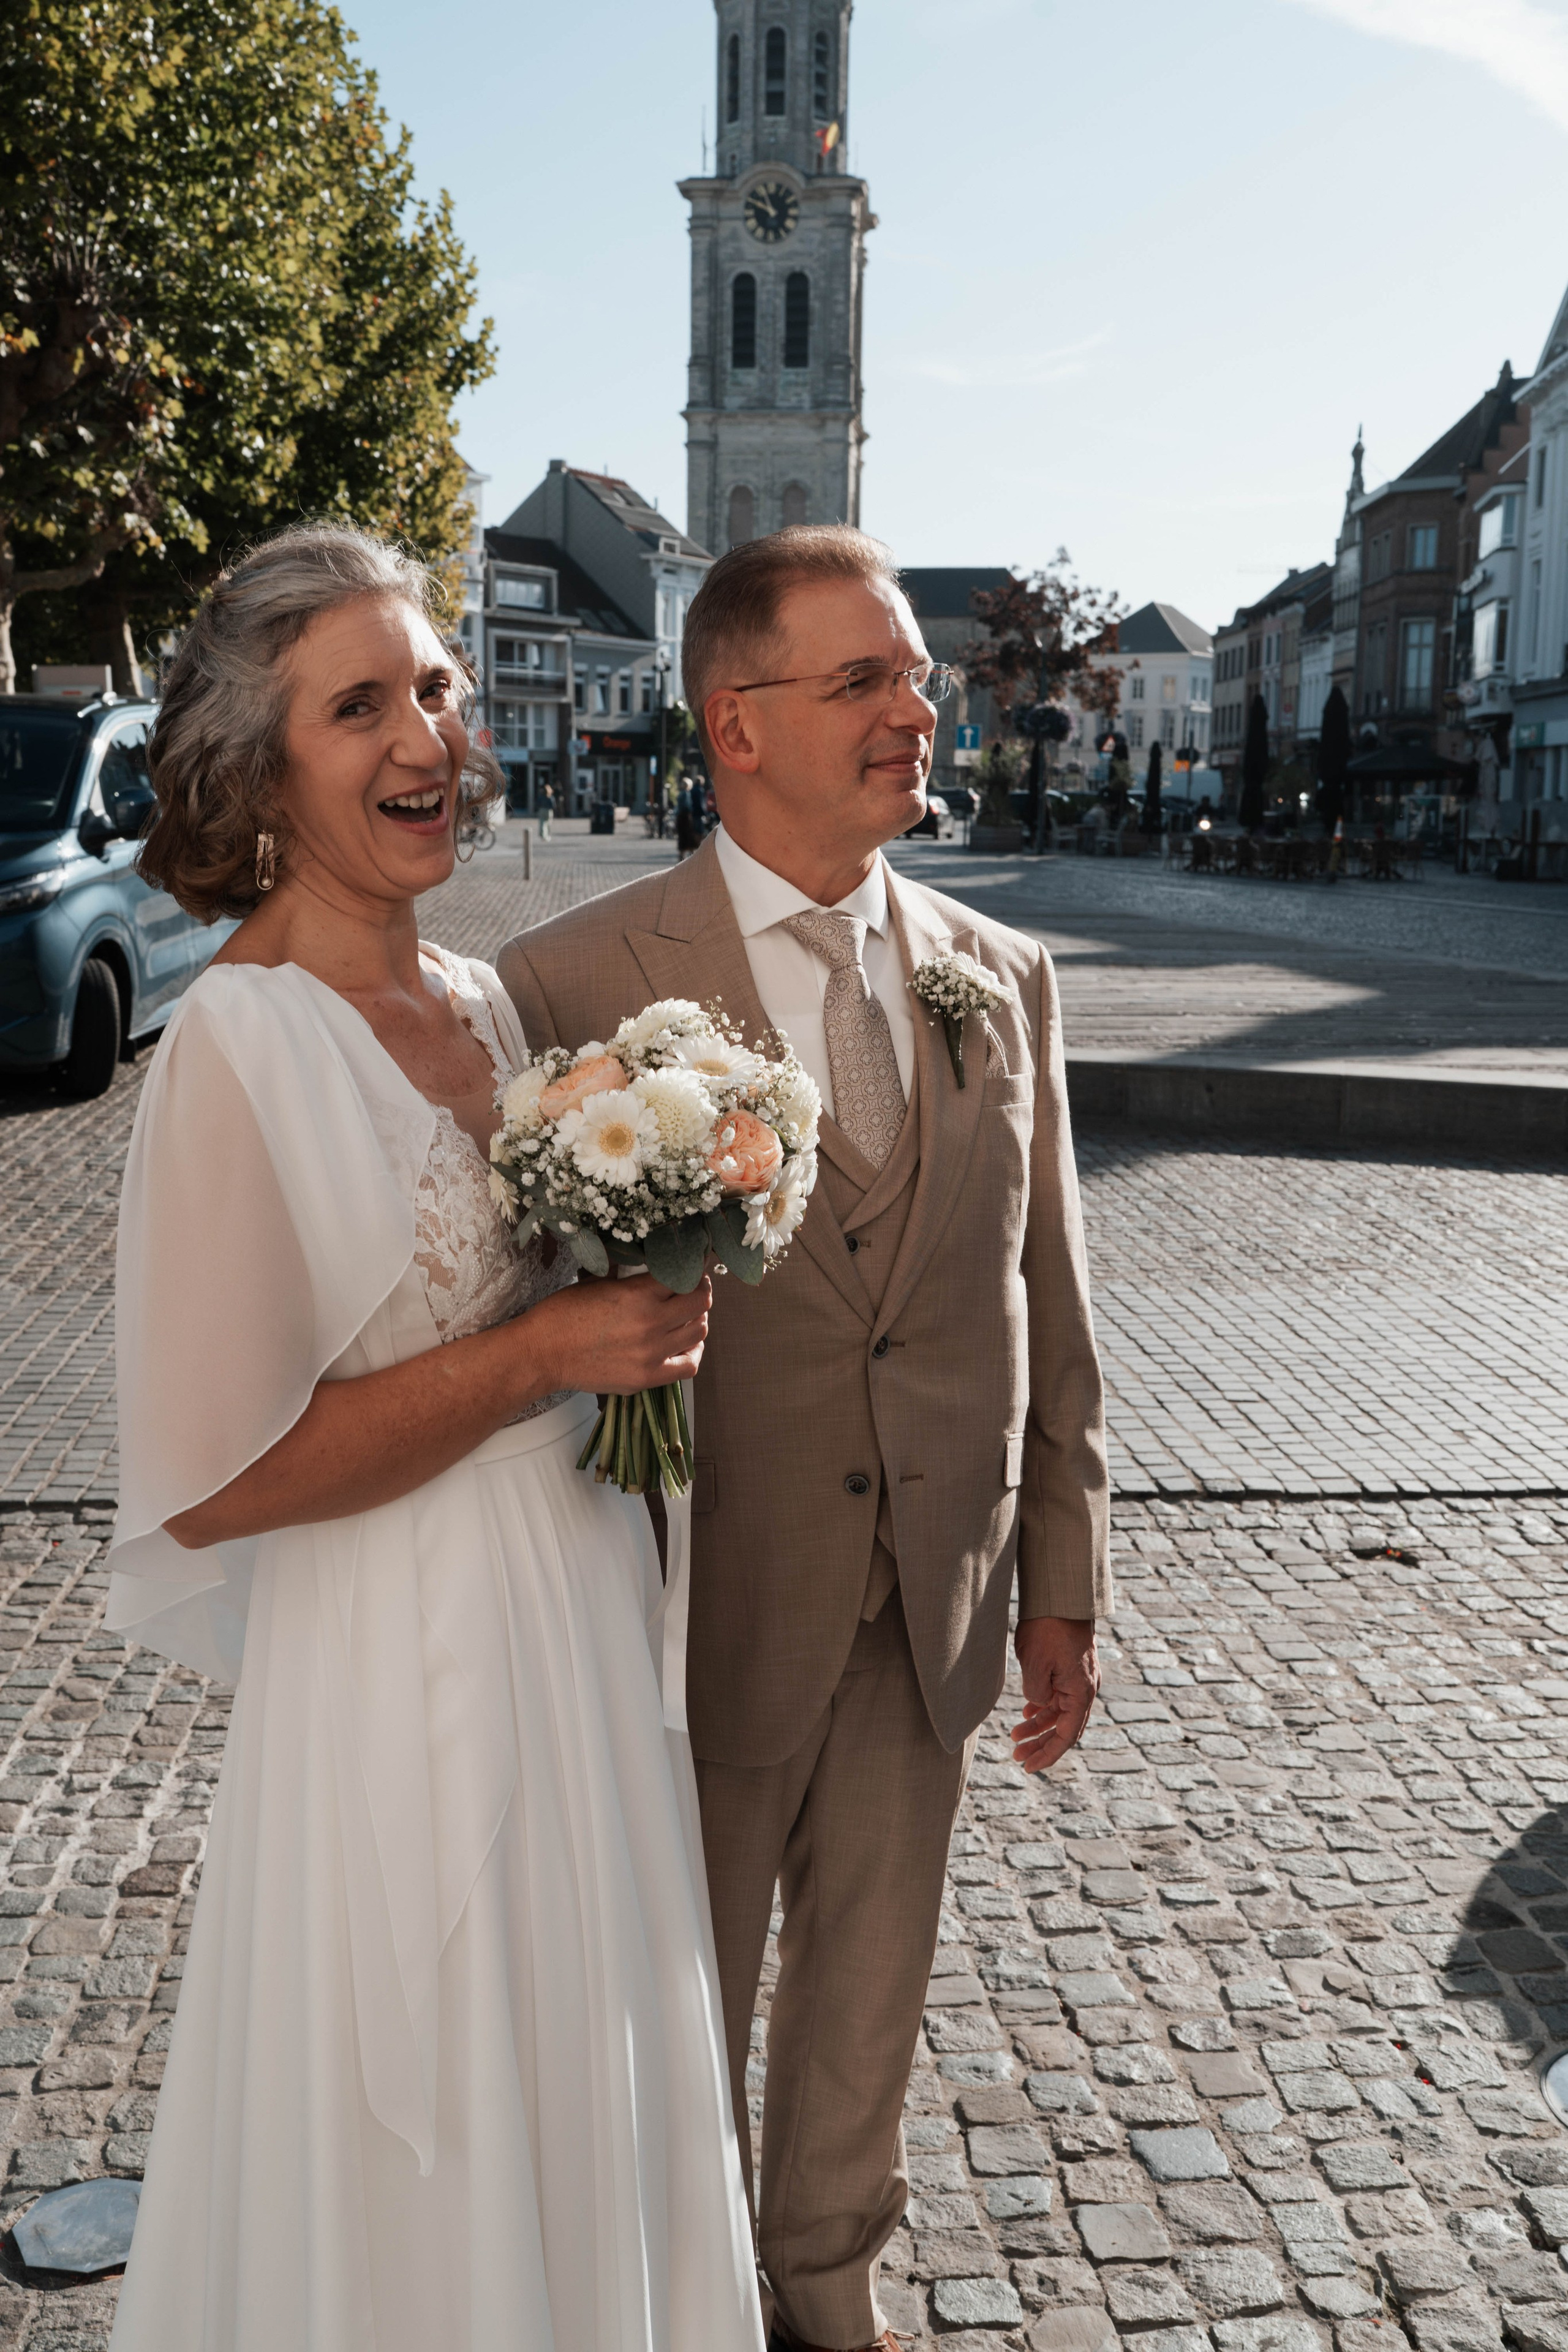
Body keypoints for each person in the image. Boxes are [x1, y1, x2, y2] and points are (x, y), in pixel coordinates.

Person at [104, 524, 763, 2352]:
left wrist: (643, 1280)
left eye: (436, 687)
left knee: (581, 2069)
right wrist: (546, 1348)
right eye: (358, 704)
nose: (424, 737)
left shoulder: (479, 1005)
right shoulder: (238, 1041)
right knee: (440, 2118)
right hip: (401, 1663)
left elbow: (526, 1303)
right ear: (259, 764)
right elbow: (219, 1473)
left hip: (575, 1625)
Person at [499, 524, 1110, 2352]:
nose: (918, 708)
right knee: (661, 1978)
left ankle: (827, 2283)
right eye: (866, 679)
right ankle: (656, 2289)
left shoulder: (1002, 972)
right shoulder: (567, 980)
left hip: (931, 1583)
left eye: (917, 674)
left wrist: (1060, 1573)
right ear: (735, 722)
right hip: (688, 1604)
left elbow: (1048, 1293)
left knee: (868, 1982)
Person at [537, 775, 555, 840]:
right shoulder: (550, 797)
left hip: (542, 810)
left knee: (542, 823)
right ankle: (547, 835)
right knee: (548, 823)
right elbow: (553, 805)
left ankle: (543, 834)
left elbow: (538, 803)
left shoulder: (541, 796)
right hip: (548, 811)